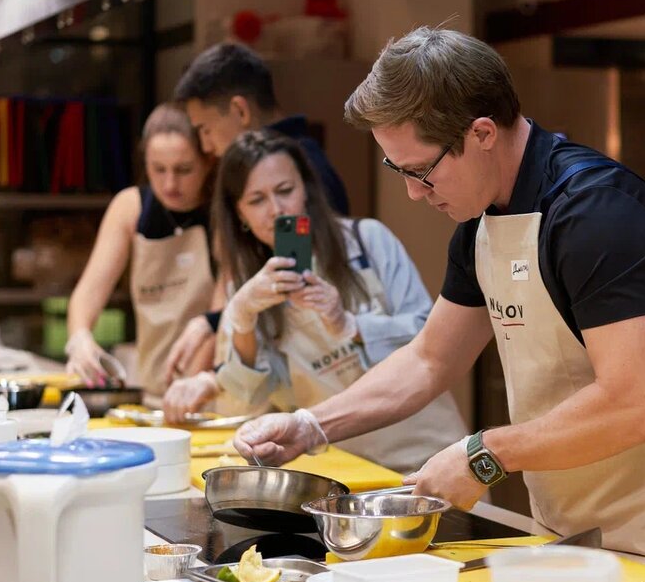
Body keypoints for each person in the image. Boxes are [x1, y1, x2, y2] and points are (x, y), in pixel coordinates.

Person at [233, 27, 645, 582]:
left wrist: (483, 454)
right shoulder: (481, 224)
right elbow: (430, 359)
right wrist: (310, 426)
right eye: (398, 170)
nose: (414, 192)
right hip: (566, 525)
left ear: (482, 132)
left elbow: (638, 404)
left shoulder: (597, 213)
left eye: (420, 171)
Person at [182, 130, 465, 472]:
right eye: (256, 200)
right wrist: (242, 318)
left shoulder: (367, 240)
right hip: (346, 470)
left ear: (306, 190)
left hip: (431, 455)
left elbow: (431, 341)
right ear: (238, 213)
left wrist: (350, 325)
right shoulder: (245, 291)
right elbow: (245, 404)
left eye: (285, 191)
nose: (277, 210)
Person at [162, 43, 352, 378]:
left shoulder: (310, 173)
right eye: (256, 200)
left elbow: (296, 289)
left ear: (240, 111)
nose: (206, 146)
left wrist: (214, 324)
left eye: (205, 129)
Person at [66, 103, 218, 403]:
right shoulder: (130, 207)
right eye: (158, 169)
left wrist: (190, 388)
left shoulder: (221, 212)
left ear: (208, 161)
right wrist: (79, 337)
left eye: (183, 170)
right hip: (154, 392)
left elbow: (219, 316)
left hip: (212, 393)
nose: (169, 183)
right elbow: (89, 291)